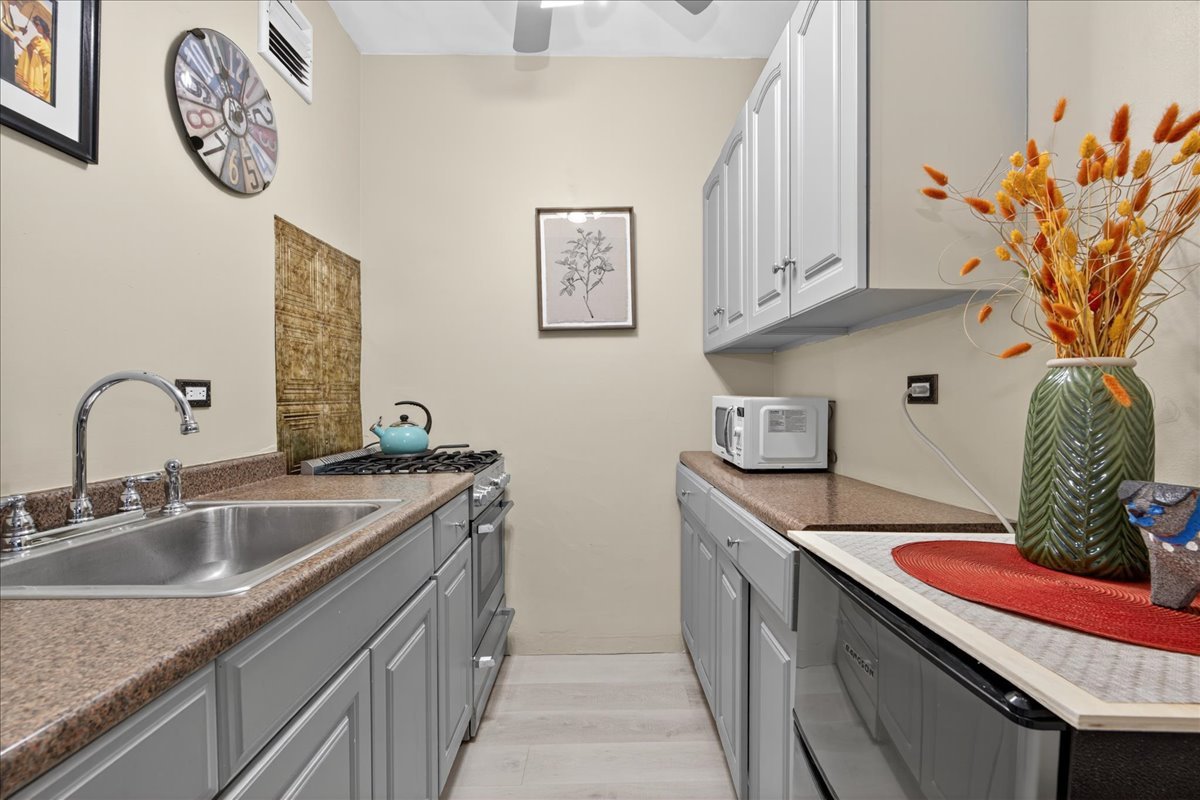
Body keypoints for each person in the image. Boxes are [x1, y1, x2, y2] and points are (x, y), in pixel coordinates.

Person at [0, 1, 52, 104]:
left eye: (37, 25)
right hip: (4, 37)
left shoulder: (47, 41)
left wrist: (20, 29)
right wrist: (15, 36)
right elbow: (2, 23)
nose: (36, 27)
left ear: (43, 25)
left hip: (46, 69)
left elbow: (9, 24)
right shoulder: (1, 4)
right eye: (35, 25)